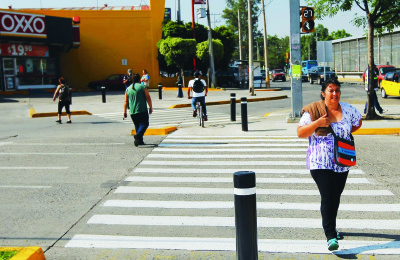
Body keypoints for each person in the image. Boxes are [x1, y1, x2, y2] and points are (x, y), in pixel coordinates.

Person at [297, 78, 362, 251]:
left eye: (337, 90)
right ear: (323, 93)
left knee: (336, 196)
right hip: (320, 161)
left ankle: (332, 227)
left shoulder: (348, 109)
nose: (334, 94)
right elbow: (300, 132)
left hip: (342, 161)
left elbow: (358, 122)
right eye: (331, 90)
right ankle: (330, 236)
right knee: (328, 196)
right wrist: (318, 123)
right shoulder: (313, 110)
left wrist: (343, 133)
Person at [124, 73, 153, 147]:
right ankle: (138, 135)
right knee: (144, 124)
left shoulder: (128, 89)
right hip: (142, 109)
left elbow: (126, 102)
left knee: (137, 126)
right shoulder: (142, 87)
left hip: (132, 111)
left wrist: (125, 112)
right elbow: (148, 98)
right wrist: (150, 107)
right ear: (139, 79)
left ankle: (139, 141)